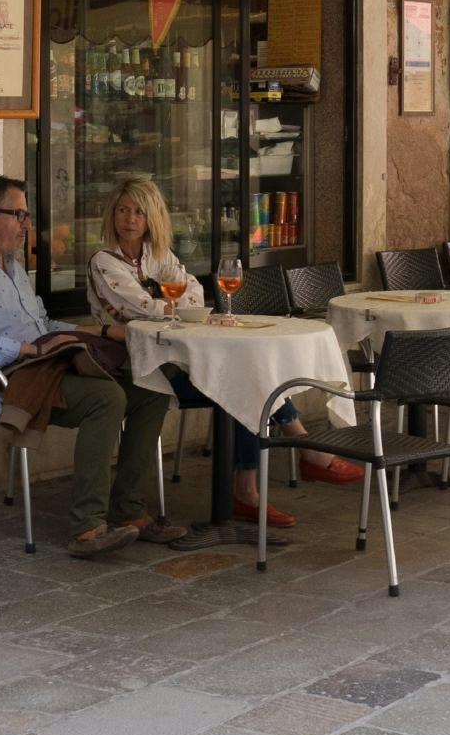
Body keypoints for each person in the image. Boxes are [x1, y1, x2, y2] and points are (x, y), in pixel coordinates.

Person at [86, 177, 360, 529]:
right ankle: (288, 461)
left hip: (176, 358)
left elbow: (196, 296)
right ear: (112, 215)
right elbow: (141, 308)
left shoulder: (159, 256)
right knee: (243, 380)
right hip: (136, 364)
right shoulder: (103, 261)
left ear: (153, 217)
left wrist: (167, 303)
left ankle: (260, 482)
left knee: (242, 378)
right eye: (123, 210)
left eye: (139, 211)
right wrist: (171, 304)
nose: (130, 219)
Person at [0, 174, 182, 557]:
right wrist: (27, 349)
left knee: (150, 390)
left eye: (26, 215)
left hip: (43, 365)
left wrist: (100, 331)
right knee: (106, 397)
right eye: (19, 214)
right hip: (3, 380)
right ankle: (87, 528)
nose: (26, 224)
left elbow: (43, 323)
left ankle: (129, 511)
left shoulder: (12, 265)